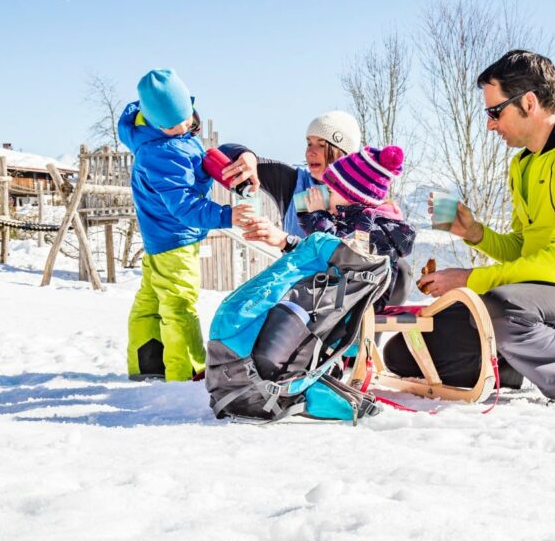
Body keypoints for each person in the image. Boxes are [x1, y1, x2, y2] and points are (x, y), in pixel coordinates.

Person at [409, 50, 555, 409]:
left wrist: (469, 279)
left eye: (495, 112)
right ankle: (512, 365)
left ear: (528, 102)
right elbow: (524, 251)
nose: (490, 125)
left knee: (502, 307)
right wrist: (475, 233)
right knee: (413, 348)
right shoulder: (522, 164)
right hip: (538, 298)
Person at [118, 69, 254, 381]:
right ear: (154, 120)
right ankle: (186, 371)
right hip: (175, 239)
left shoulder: (154, 137)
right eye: (170, 123)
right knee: (179, 304)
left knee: (152, 300)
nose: (182, 126)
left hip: (159, 239)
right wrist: (225, 216)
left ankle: (147, 362)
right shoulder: (162, 154)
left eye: (185, 116)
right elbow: (184, 207)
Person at [295, 144, 416, 308]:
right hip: (348, 300)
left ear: (352, 196)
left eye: (330, 192)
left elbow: (339, 250)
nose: (326, 196)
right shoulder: (355, 219)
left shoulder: (371, 226)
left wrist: (317, 216)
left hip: (360, 303)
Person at [216, 110, 361, 241]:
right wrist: (246, 155)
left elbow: (354, 257)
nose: (311, 152)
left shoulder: (365, 197)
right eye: (309, 143)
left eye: (322, 145)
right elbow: (222, 152)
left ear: (344, 154)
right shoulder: (295, 182)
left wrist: (284, 240)